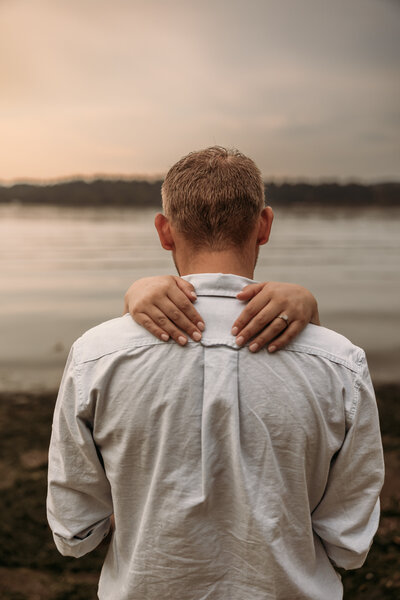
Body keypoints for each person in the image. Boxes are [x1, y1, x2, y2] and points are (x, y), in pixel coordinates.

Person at [47, 146, 384, 600]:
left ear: (164, 232)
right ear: (264, 226)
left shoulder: (96, 354)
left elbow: (74, 530)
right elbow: (348, 543)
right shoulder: (340, 362)